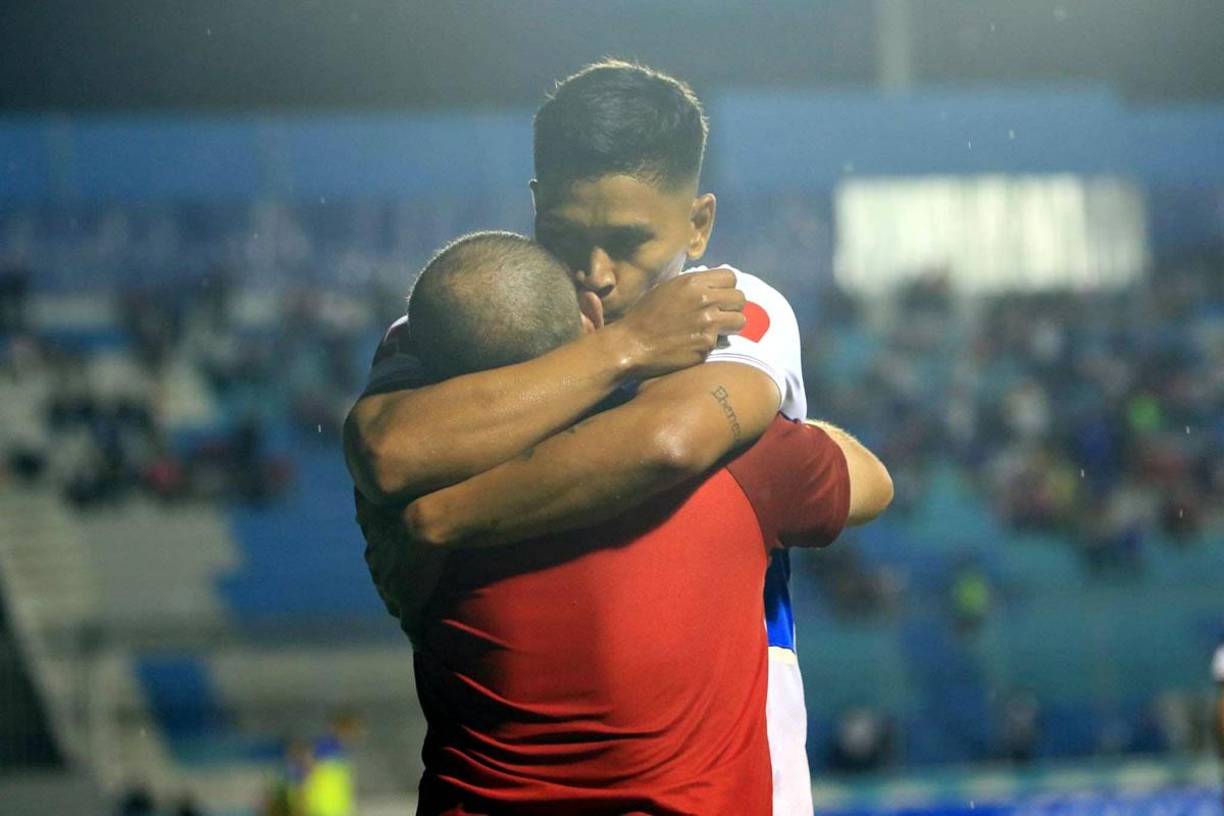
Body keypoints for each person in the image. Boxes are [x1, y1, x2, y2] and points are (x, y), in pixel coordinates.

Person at [345, 61, 879, 813]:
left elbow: (673, 436)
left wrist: (441, 519)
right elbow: (388, 449)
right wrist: (622, 349)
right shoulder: (469, 312)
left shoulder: (730, 307)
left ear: (698, 223)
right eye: (563, 234)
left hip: (740, 775)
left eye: (627, 242)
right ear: (534, 207)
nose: (593, 274)